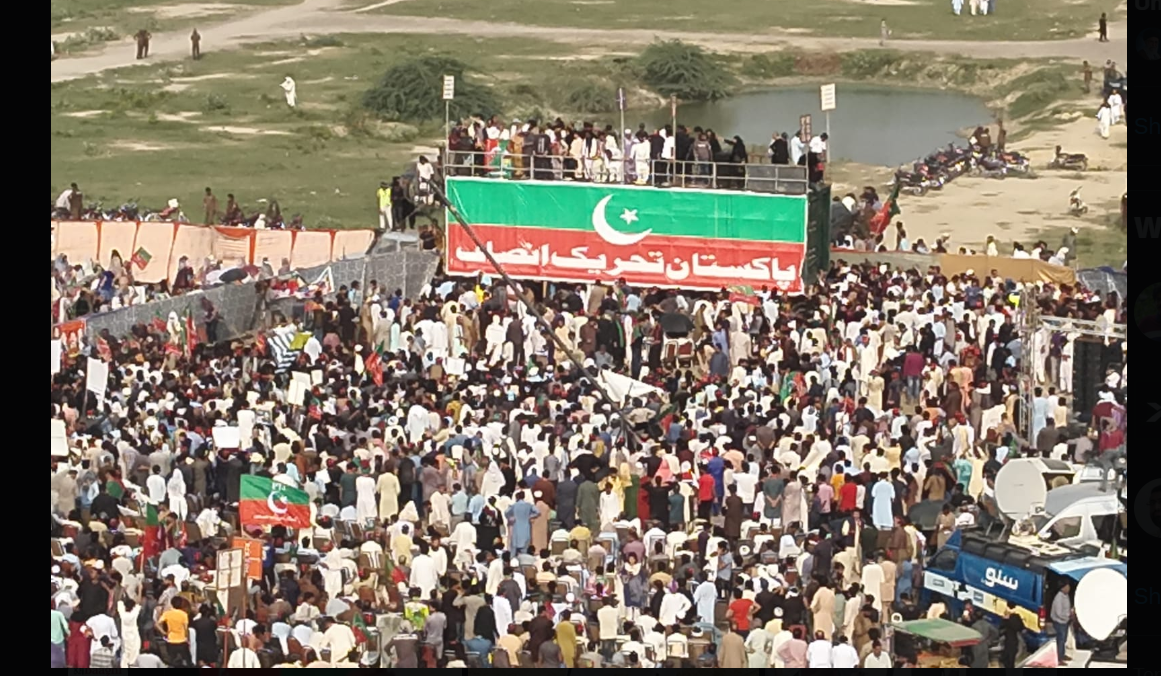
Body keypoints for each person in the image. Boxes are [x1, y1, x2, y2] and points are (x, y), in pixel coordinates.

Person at [1050, 582, 1073, 665]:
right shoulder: (1059, 597)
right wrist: (1068, 615)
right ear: (1062, 587)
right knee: (1060, 640)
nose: (1068, 589)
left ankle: (1062, 655)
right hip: (1059, 622)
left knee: (1064, 639)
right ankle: (1058, 658)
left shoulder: (1065, 596)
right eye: (1067, 587)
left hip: (1065, 621)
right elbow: (1058, 612)